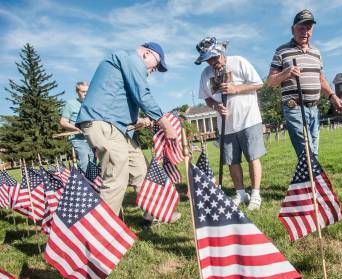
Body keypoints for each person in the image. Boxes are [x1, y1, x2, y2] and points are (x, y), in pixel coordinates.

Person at [76, 42, 180, 224]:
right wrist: (165, 124)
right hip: (103, 123)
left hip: (118, 127)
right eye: (156, 65)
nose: (154, 70)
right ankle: (101, 233)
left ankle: (154, 213)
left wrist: (137, 121)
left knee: (141, 170)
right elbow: (142, 95)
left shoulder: (126, 63)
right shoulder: (132, 59)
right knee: (117, 175)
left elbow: (119, 100)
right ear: (147, 53)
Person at [195, 37, 266, 210]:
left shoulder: (239, 62)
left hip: (248, 119)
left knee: (252, 157)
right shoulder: (206, 74)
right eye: (208, 59)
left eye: (214, 57)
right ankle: (241, 193)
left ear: (221, 52)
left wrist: (236, 89)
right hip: (226, 126)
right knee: (232, 161)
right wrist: (216, 106)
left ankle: (255, 194)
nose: (212, 62)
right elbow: (206, 99)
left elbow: (258, 84)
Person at [267, 9, 342, 158]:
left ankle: (310, 180)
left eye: (308, 28)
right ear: (293, 29)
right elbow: (270, 82)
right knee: (307, 151)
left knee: (313, 150)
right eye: (301, 28)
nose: (305, 32)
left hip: (314, 108)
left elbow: (321, 80)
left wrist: (333, 97)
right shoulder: (281, 52)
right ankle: (312, 180)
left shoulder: (316, 53)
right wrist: (286, 73)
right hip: (294, 108)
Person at [60, 81, 95, 171]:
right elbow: (63, 122)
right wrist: (75, 128)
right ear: (77, 92)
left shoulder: (92, 104)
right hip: (78, 138)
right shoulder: (71, 104)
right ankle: (85, 182)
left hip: (92, 137)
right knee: (85, 159)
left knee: (93, 159)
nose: (85, 94)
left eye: (87, 91)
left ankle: (93, 182)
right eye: (83, 92)